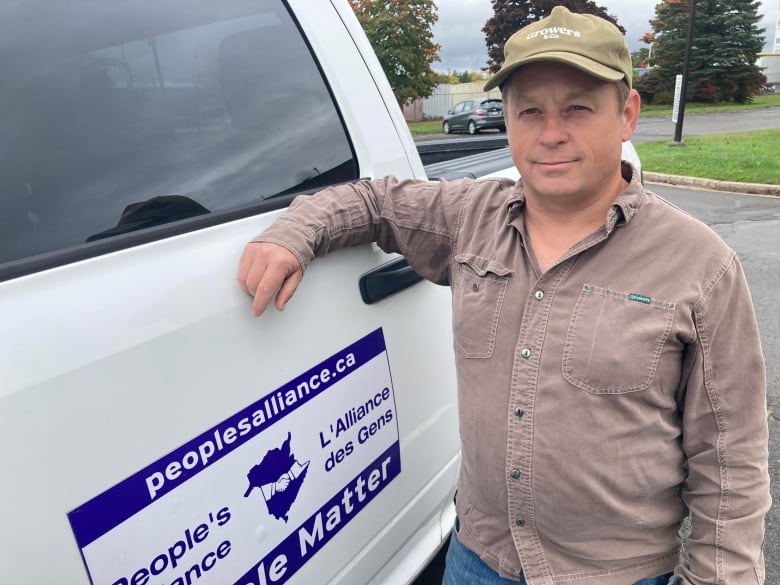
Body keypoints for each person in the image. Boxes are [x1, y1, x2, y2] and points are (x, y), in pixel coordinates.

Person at [237, 6, 770, 585]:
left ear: (628, 115)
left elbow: (731, 457)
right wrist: (294, 233)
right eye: (530, 111)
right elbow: (375, 202)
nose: (550, 133)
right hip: (477, 559)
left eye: (578, 108)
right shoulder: (472, 216)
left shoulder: (701, 266)